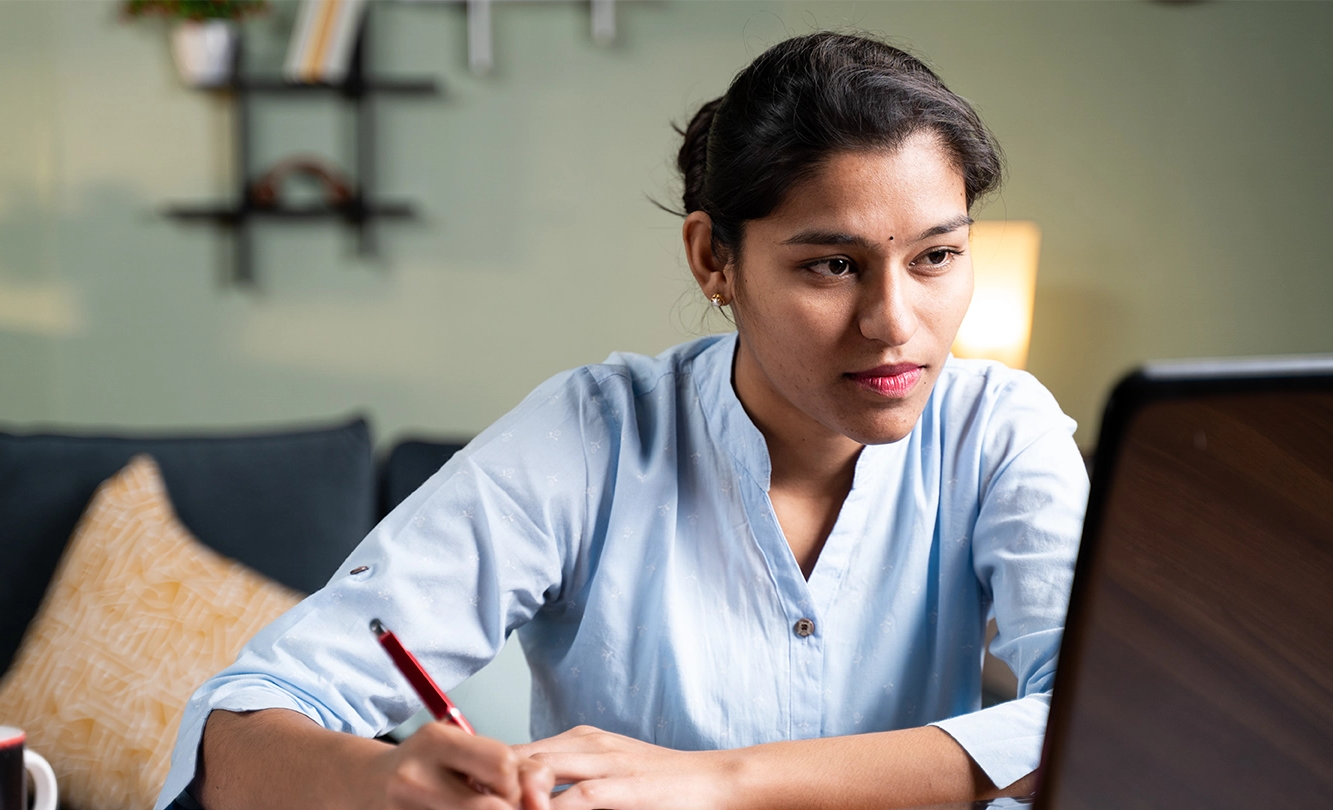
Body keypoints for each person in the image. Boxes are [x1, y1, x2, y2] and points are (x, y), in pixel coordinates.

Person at [156, 30, 1088, 810]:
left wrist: (722, 782)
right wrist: (388, 779)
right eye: (831, 266)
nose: (893, 323)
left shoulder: (1001, 431)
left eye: (936, 257)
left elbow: (1099, 725)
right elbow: (242, 722)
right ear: (712, 259)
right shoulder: (589, 437)